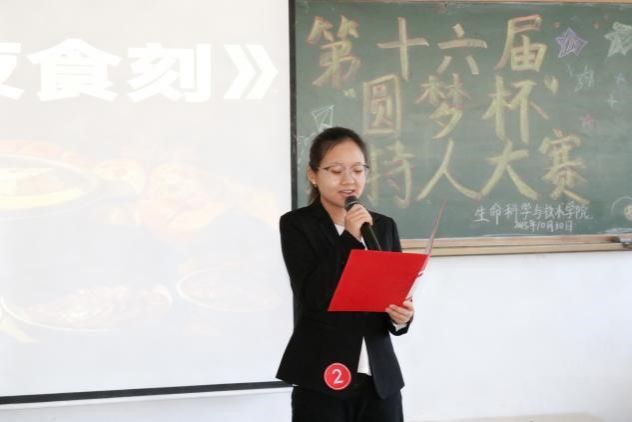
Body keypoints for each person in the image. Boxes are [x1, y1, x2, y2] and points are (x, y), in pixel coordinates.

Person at [276, 127, 415, 422]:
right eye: (337, 171)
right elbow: (312, 296)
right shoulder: (297, 224)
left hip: (380, 379)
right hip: (321, 376)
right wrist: (350, 238)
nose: (349, 180)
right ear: (313, 175)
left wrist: (401, 317)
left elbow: (393, 292)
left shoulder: (383, 226)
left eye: (358, 170)